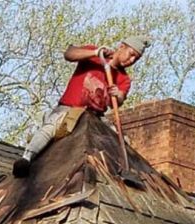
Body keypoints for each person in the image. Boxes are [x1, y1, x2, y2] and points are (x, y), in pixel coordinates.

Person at [12, 36, 149, 177]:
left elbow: (118, 101)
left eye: (136, 59)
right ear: (122, 47)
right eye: (131, 54)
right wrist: (95, 52)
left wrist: (118, 94)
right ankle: (26, 158)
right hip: (70, 108)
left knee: (120, 140)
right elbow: (69, 54)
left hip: (95, 116)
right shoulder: (95, 55)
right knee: (51, 127)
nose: (131, 60)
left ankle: (119, 171)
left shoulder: (123, 79)